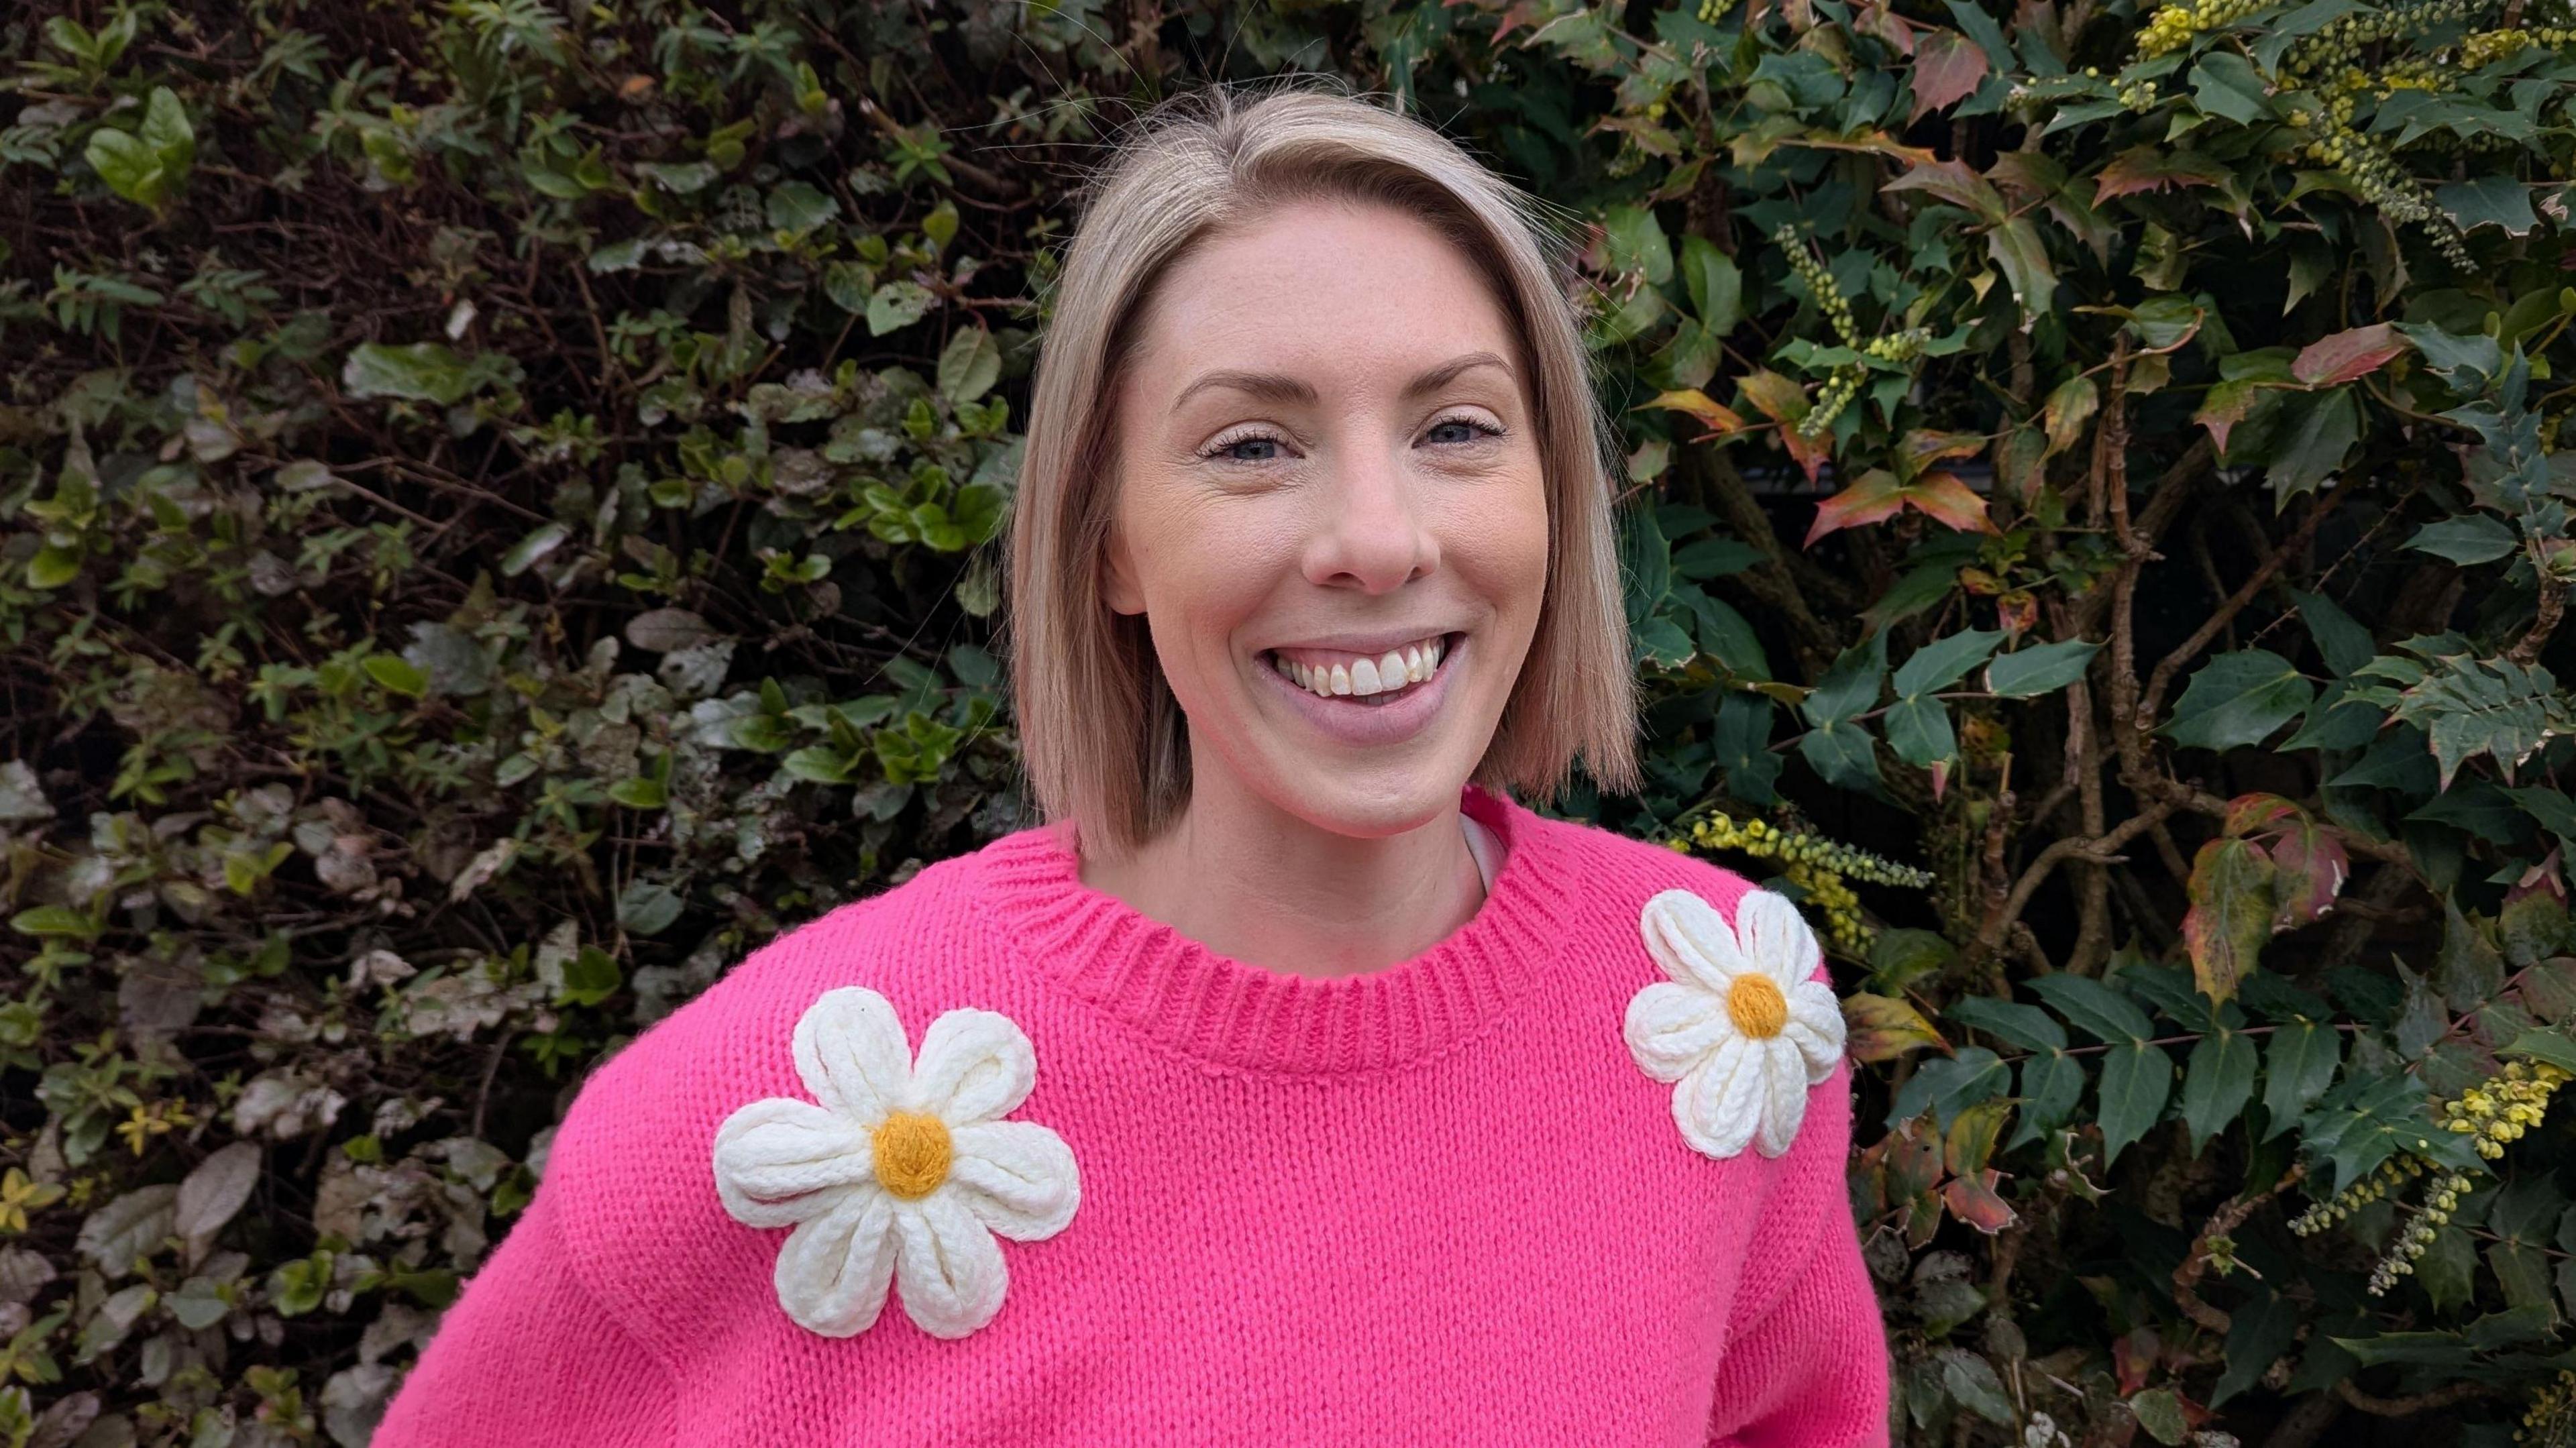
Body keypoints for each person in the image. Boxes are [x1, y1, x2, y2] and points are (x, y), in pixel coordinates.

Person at [371, 82, 1889, 1447]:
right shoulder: (774, 1123)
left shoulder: (1725, 1016)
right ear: (1106, 539)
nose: (1377, 538)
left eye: (1458, 429)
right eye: (1252, 447)